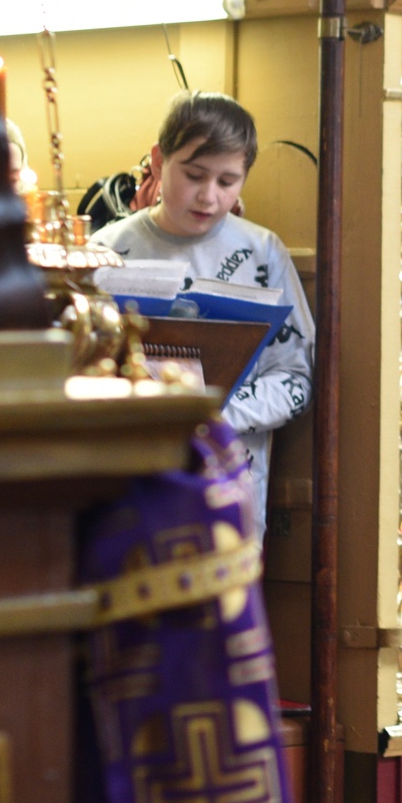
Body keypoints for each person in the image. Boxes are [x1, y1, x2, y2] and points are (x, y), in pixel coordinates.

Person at [101, 93, 315, 533]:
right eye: (194, 175)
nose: (209, 196)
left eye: (227, 181)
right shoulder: (103, 252)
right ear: (159, 163)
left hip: (229, 491)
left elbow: (296, 378)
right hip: (124, 482)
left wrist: (217, 416)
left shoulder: (263, 252)